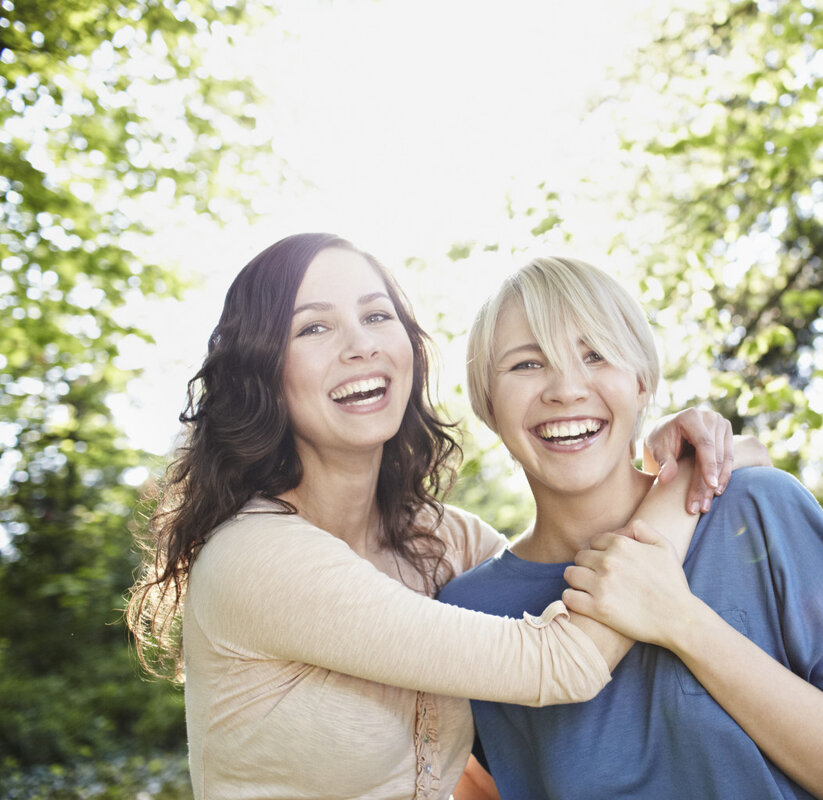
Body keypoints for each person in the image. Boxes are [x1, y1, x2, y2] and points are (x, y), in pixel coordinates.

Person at [123, 233, 760, 800]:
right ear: (262, 370)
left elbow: (564, 553)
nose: (360, 346)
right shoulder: (254, 559)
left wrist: (696, 446)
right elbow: (557, 662)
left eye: (377, 316)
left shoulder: (443, 542)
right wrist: (682, 487)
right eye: (313, 328)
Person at [439, 256, 823, 799]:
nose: (566, 388)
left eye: (595, 355)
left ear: (642, 383)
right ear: (487, 402)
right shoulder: (470, 612)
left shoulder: (759, 510)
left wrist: (680, 620)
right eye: (526, 365)